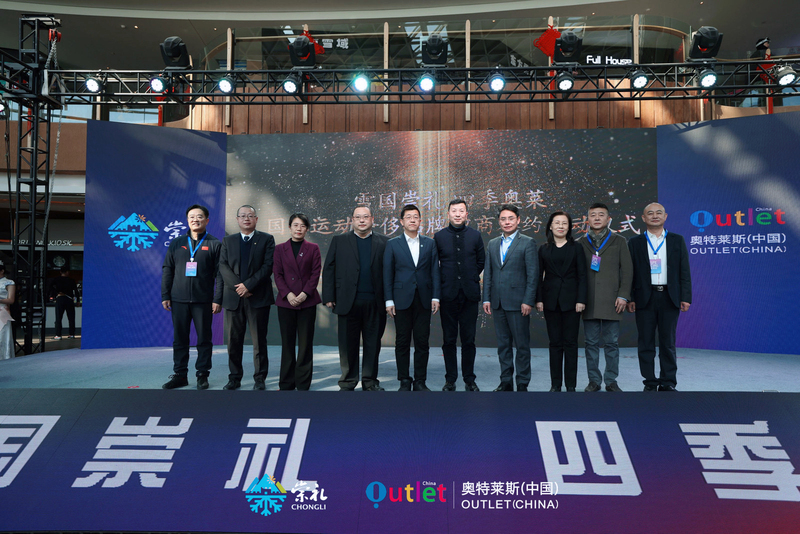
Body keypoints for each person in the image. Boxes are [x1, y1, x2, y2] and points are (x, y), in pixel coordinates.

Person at [322, 206, 389, 391]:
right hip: (347, 301)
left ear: (372, 219)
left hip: (375, 302)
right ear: (352, 220)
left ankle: (370, 381)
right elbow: (329, 269)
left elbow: (390, 271)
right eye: (358, 217)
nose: (362, 220)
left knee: (372, 344)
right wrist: (328, 296)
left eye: (365, 217)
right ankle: (348, 381)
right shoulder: (339, 240)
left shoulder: (384, 242)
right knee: (347, 344)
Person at [627, 202, 692, 392]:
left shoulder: (676, 240)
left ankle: (668, 381)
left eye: (658, 213)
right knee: (645, 342)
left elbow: (684, 271)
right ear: (643, 218)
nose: (654, 216)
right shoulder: (635, 242)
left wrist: (686, 297)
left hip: (669, 297)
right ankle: (649, 381)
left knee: (668, 342)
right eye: (650, 213)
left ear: (665, 216)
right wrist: (631, 297)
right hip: (644, 298)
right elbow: (630, 273)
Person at [161, 204, 222, 390]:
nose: (195, 219)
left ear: (207, 220)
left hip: (203, 301)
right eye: (192, 217)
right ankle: (180, 375)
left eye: (200, 216)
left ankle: (202, 374)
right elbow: (168, 269)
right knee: (180, 339)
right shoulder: (177, 243)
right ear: (187, 220)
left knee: (204, 339)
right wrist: (165, 294)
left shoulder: (214, 244)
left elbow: (220, 275)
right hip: (178, 300)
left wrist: (217, 298)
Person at [216, 205, 275, 391]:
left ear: (256, 219)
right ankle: (234, 378)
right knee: (234, 341)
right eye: (242, 216)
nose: (246, 219)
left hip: (258, 297)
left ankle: (260, 378)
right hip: (234, 299)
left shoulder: (266, 239)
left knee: (259, 341)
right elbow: (223, 266)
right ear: (237, 219)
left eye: (250, 216)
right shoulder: (228, 240)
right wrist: (239, 287)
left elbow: (267, 266)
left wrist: (248, 286)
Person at [383, 204, 441, 391]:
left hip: (424, 299)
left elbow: (435, 272)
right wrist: (389, 300)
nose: (412, 220)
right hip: (401, 299)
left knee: (422, 341)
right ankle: (404, 380)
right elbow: (387, 274)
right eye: (408, 217)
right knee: (402, 341)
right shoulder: (393, 244)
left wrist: (436, 297)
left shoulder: (429, 243)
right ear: (402, 222)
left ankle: (420, 381)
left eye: (416, 217)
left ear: (420, 220)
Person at [483, 204, 538, 392]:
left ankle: (522, 383)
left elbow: (533, 275)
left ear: (518, 220)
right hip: (497, 303)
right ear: (499, 222)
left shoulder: (527, 242)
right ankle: (506, 381)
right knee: (503, 345)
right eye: (503, 219)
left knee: (522, 345)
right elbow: (488, 273)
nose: (507, 222)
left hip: (518, 303)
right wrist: (486, 299)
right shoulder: (492, 244)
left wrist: (528, 300)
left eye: (511, 218)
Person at [578, 202, 633, 393]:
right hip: (588, 301)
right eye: (593, 215)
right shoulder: (580, 242)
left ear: (608, 219)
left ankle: (611, 380)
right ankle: (594, 380)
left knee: (611, 343)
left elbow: (627, 271)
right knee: (590, 344)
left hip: (613, 300)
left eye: (601, 215)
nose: (597, 218)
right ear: (587, 219)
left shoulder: (619, 241)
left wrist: (623, 295)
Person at [434, 199, 485, 391]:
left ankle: (469, 379)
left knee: (468, 340)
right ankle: (450, 379)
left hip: (469, 295)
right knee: (449, 340)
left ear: (466, 214)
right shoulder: (439, 236)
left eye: (461, 211)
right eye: (454, 211)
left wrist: (469, 277)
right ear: (448, 214)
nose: (457, 214)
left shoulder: (475, 235)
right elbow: (435, 265)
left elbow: (481, 261)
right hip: (447, 294)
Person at [536, 211, 587, 392]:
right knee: (555, 343)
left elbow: (582, 275)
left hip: (572, 302)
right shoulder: (543, 249)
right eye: (557, 223)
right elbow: (538, 276)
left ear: (569, 227)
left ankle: (571, 385)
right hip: (550, 301)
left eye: (564, 223)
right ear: (550, 226)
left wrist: (581, 299)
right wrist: (539, 300)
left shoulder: (577, 247)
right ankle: (555, 385)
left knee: (571, 343)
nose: (560, 226)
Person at [273, 213, 321, 391]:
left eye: (302, 226)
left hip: (307, 302)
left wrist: (304, 294)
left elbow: (315, 273)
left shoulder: (313, 248)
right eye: (295, 225)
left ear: (307, 229)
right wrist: (288, 294)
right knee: (287, 343)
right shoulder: (280, 249)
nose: (299, 229)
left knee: (305, 344)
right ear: (289, 227)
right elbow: (277, 274)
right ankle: (286, 383)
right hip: (286, 302)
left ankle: (302, 383)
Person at [49, 266, 80, 340]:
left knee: (58, 317)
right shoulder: (71, 280)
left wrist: (55, 294)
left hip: (60, 298)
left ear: (60, 272)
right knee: (71, 317)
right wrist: (78, 300)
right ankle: (71, 334)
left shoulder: (56, 279)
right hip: (69, 299)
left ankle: (58, 335)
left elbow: (50, 287)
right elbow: (76, 291)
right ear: (67, 272)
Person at [0, 261, 15, 360]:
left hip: (2, 311)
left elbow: (11, 300)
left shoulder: (9, 282)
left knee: (2, 336)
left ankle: (5, 359)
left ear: (2, 270)